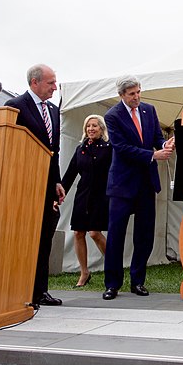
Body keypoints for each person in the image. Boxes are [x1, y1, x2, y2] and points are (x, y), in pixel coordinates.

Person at [102, 76, 174, 300]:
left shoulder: (149, 110)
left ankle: (138, 281)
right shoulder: (112, 116)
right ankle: (112, 284)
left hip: (146, 182)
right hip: (122, 183)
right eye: (132, 94)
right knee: (116, 235)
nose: (137, 97)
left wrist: (165, 144)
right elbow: (121, 148)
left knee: (144, 235)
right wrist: (153, 155)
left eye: (138, 92)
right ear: (122, 95)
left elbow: (155, 138)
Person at [5, 64, 66, 307]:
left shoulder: (53, 110)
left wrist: (57, 181)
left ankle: (40, 291)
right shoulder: (15, 106)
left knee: (44, 239)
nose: (54, 87)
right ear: (34, 83)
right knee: (23, 239)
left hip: (46, 185)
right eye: (50, 83)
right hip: (22, 185)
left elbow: (54, 151)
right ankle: (18, 290)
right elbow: (10, 145)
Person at [61, 114, 112, 288]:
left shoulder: (108, 148)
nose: (91, 129)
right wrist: (60, 194)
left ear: (101, 129)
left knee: (95, 233)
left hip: (101, 195)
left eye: (95, 126)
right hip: (82, 195)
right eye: (88, 126)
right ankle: (84, 272)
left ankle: (112, 267)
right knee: (78, 233)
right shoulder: (80, 149)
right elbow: (69, 174)